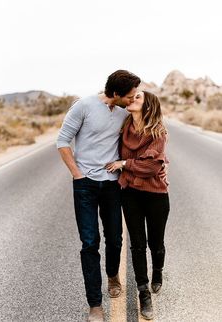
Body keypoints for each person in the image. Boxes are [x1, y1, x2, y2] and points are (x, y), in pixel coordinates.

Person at [57, 70, 141, 322]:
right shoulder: (83, 106)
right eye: (129, 96)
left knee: (115, 239)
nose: (132, 100)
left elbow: (145, 130)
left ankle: (113, 275)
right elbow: (62, 142)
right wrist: (77, 174)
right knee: (90, 242)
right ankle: (95, 305)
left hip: (113, 184)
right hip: (86, 185)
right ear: (115, 94)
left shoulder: (126, 112)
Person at [105, 91, 170, 320]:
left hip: (156, 194)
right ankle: (143, 291)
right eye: (132, 97)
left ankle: (158, 272)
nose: (132, 99)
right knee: (137, 245)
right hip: (130, 193)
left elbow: (151, 168)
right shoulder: (124, 130)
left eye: (138, 97)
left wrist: (124, 163)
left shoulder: (158, 132)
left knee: (156, 243)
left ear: (148, 105)